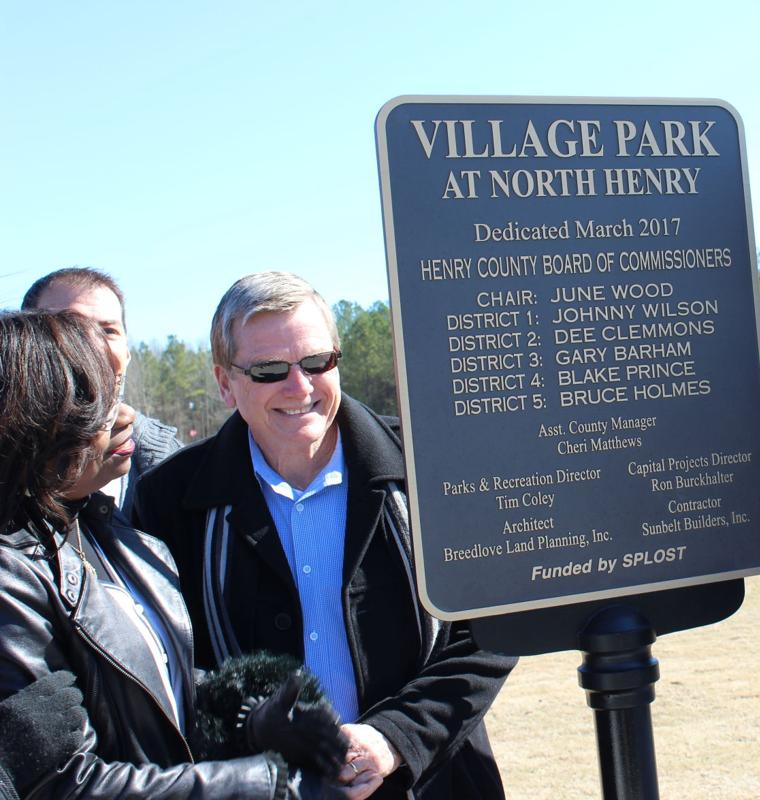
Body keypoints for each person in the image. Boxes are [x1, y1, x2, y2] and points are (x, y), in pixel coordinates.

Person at [133, 272, 516, 800]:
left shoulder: (429, 466)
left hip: (435, 782)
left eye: (316, 362)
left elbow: (493, 630)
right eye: (269, 370)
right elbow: (162, 666)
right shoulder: (167, 503)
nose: (300, 386)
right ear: (225, 383)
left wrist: (395, 737)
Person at [0, 310, 347, 798]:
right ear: (32, 423)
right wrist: (268, 784)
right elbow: (60, 783)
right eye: (95, 406)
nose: (125, 419)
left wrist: (250, 721)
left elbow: (159, 696)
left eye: (117, 399)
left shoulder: (111, 534)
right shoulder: (9, 580)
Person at [23, 267, 181, 516]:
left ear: (127, 355)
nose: (94, 345)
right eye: (68, 327)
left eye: (108, 331)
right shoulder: (10, 458)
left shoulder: (171, 464)